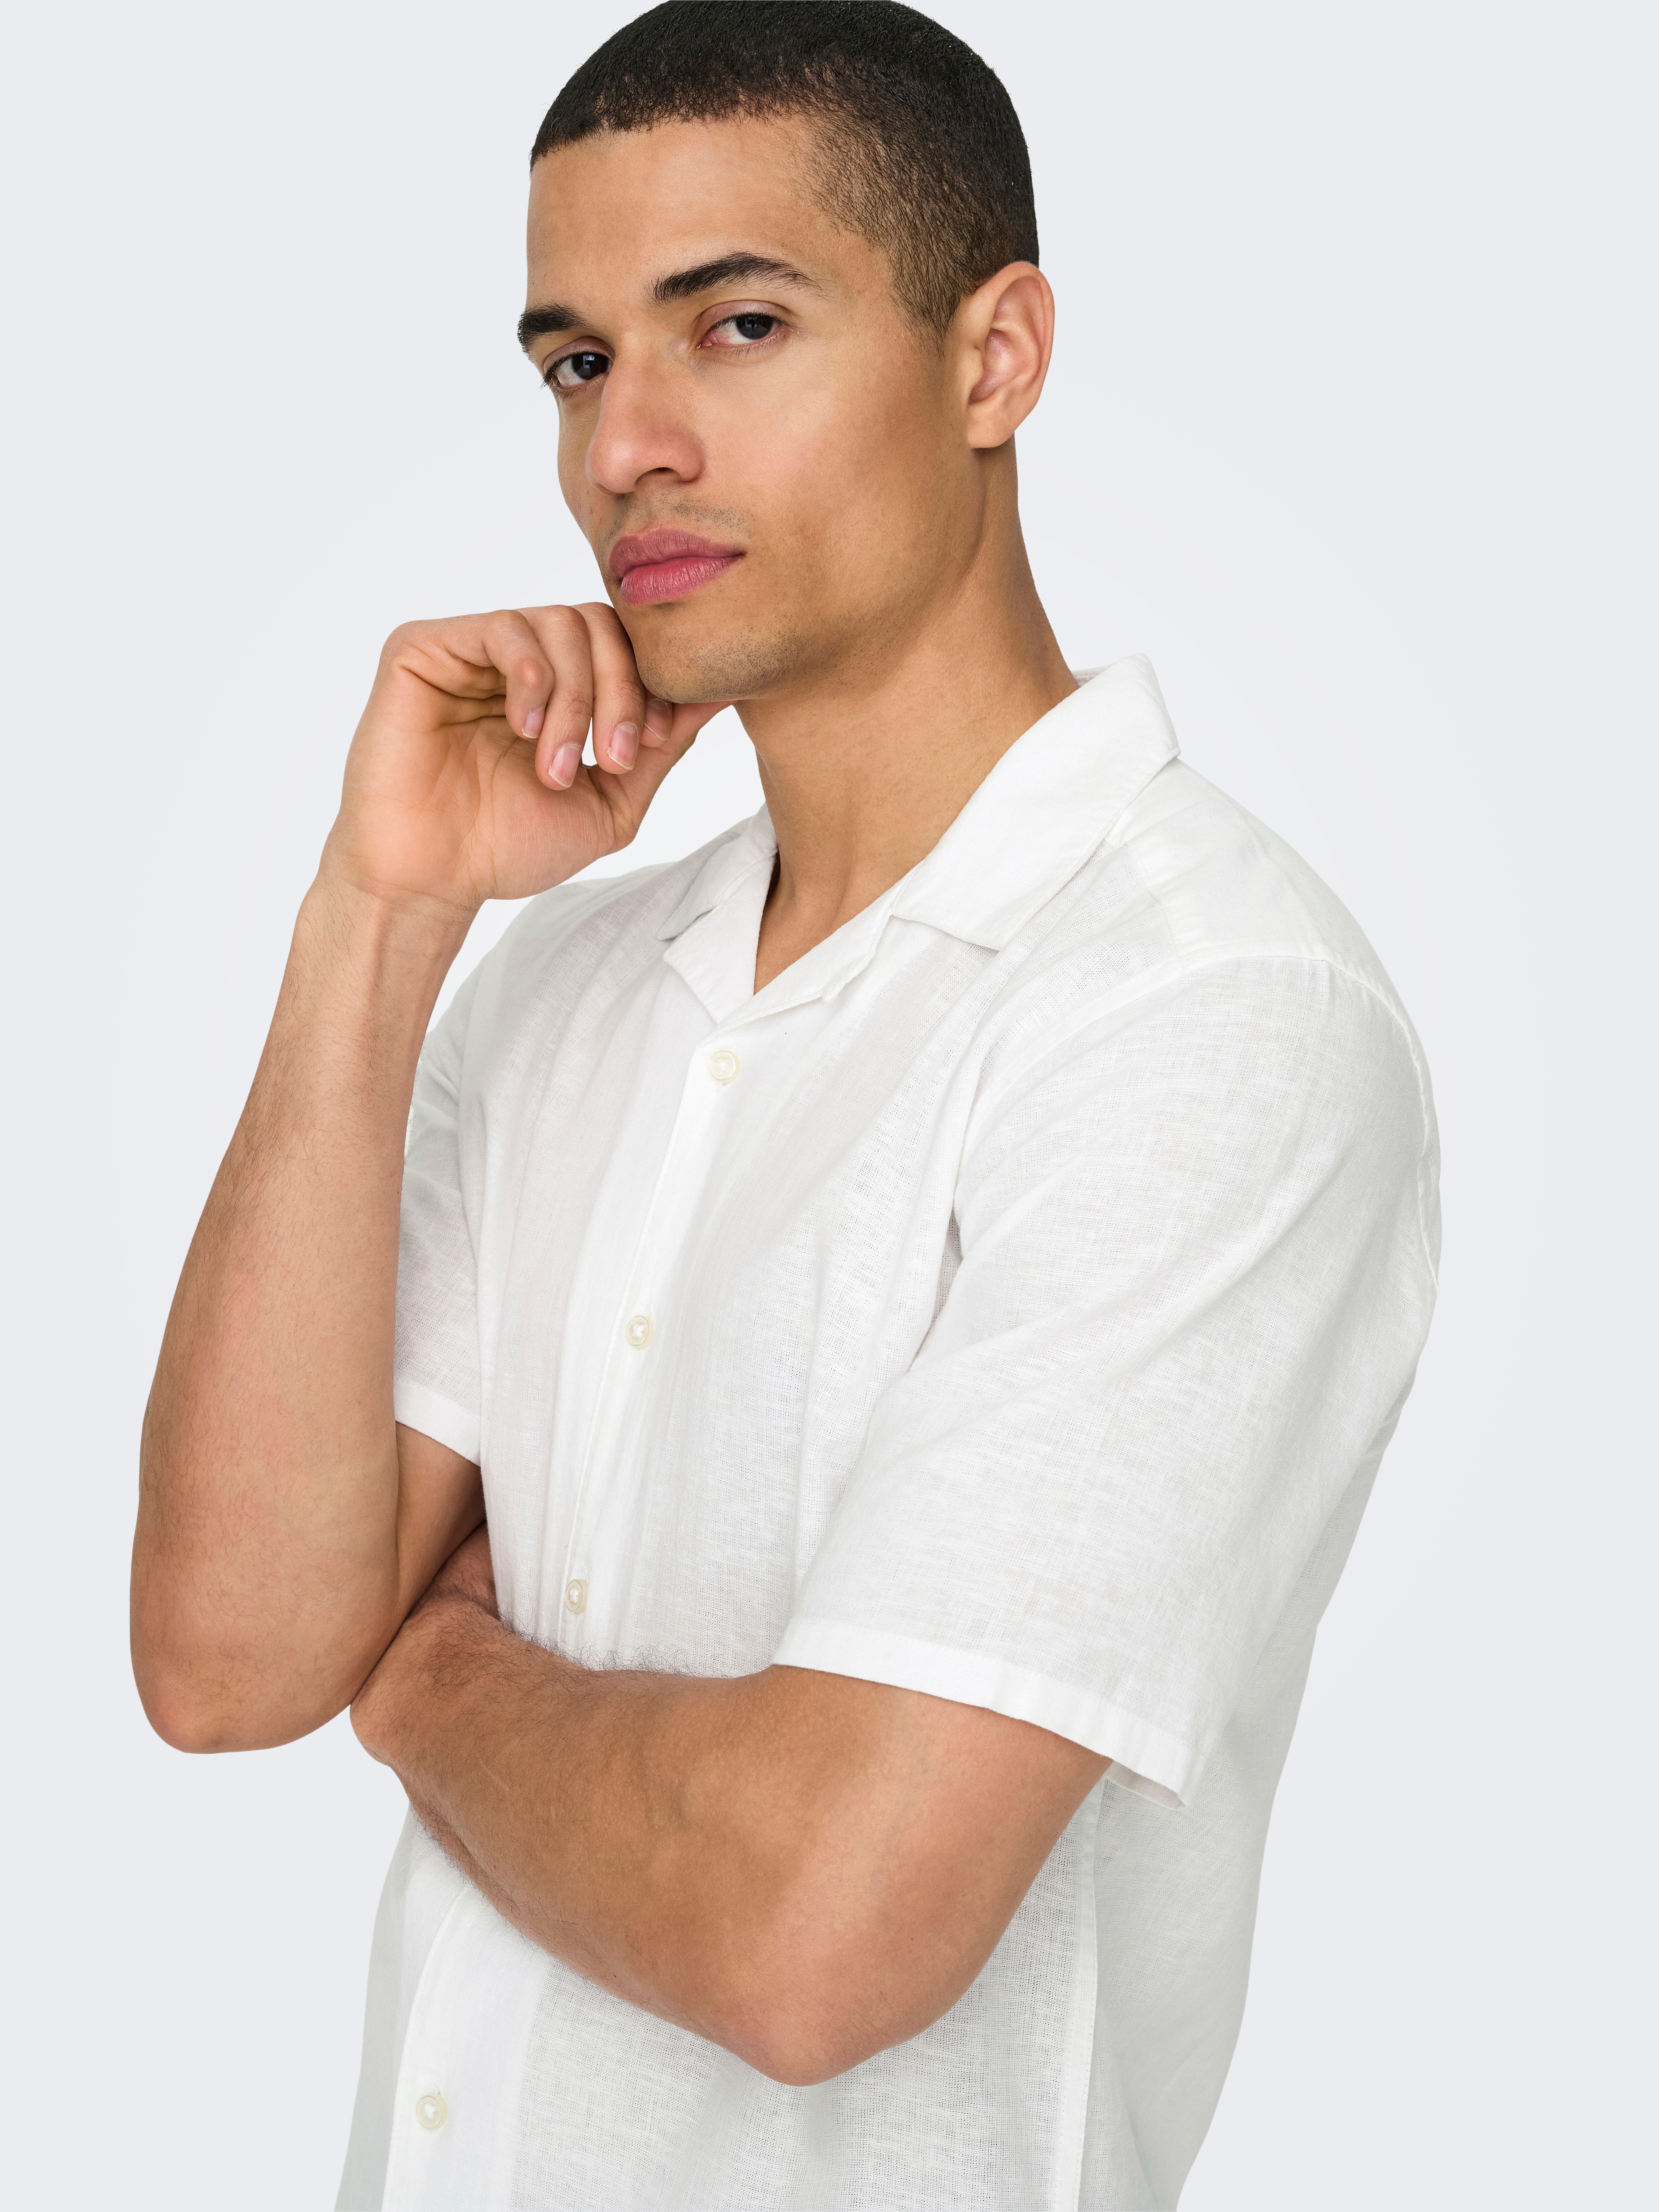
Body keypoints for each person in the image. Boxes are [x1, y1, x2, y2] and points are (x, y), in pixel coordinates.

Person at [131, 5, 1440, 2206]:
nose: (627, 446)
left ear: (994, 357)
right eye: (576, 362)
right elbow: (233, 1654)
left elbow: (814, 1931)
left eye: (737, 325)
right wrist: (379, 915)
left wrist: (427, 1674)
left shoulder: (1207, 1007)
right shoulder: (559, 981)